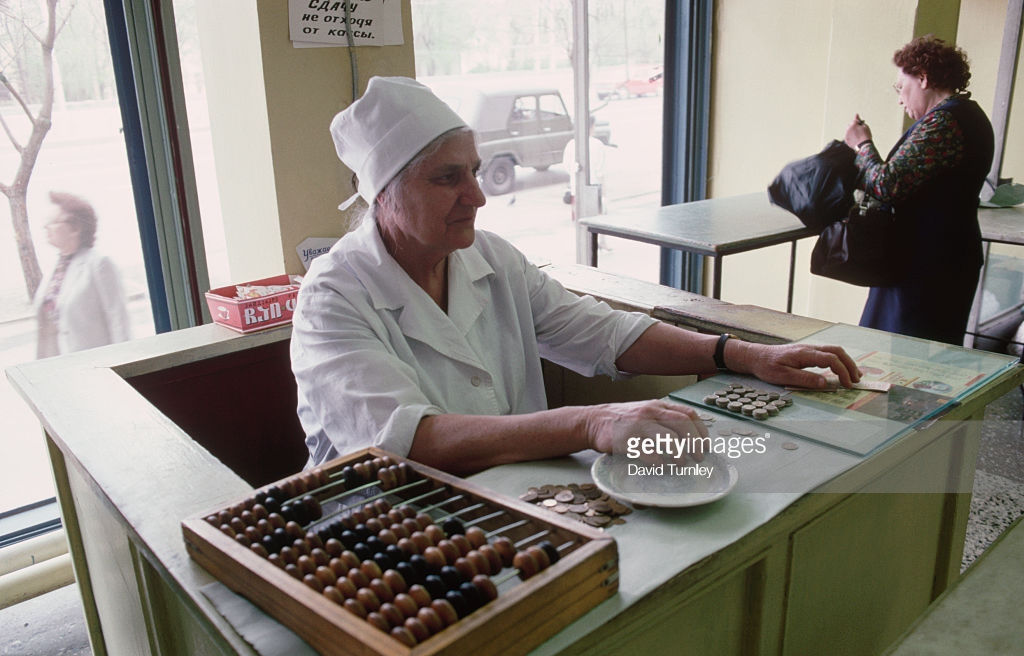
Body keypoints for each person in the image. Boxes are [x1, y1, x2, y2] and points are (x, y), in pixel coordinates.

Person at [291, 76, 861, 476]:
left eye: (475, 171)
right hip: (389, 521)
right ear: (385, 196)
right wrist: (590, 423)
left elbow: (603, 332)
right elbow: (409, 441)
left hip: (507, 493)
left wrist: (742, 354)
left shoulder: (489, 258)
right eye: (447, 179)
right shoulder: (334, 298)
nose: (478, 196)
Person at [844, 35, 994, 345]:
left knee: (905, 362)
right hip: (942, 258)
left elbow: (888, 184)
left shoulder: (945, 123)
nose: (900, 98)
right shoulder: (969, 116)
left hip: (927, 265)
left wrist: (862, 144)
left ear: (923, 78)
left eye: (902, 87)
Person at [33, 191, 130, 359]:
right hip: (61, 370)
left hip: (95, 366)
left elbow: (119, 321)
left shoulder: (99, 264)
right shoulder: (54, 270)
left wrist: (124, 366)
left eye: (52, 223)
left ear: (75, 228)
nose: (45, 228)